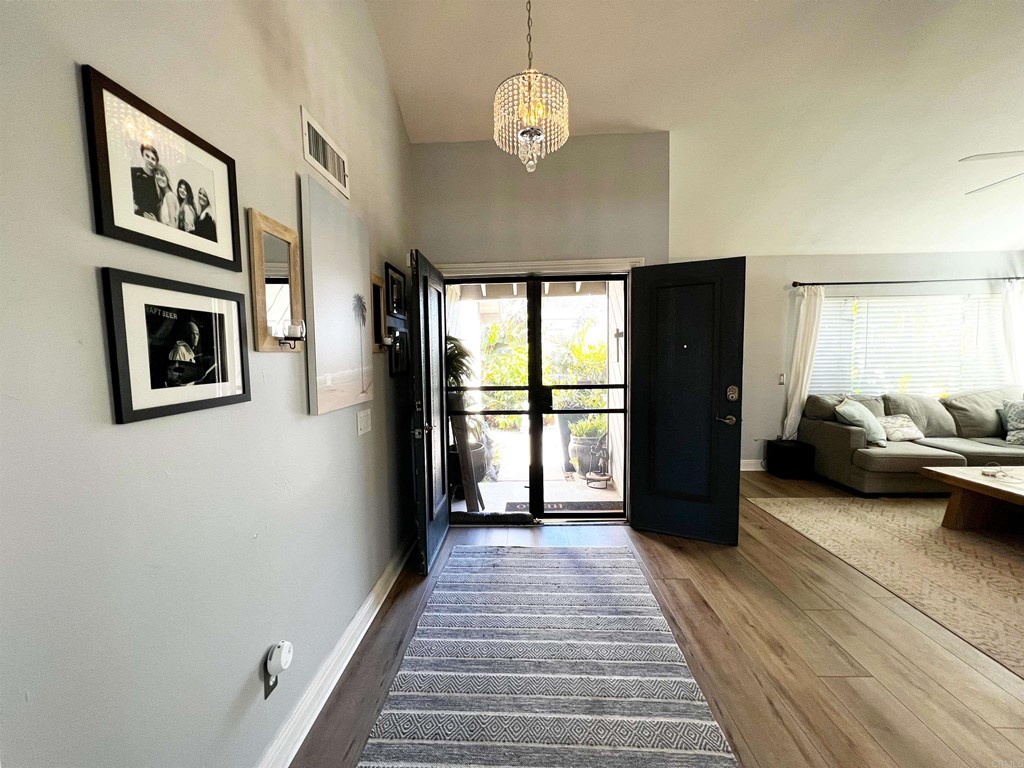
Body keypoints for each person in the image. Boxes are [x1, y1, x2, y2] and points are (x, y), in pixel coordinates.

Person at [130, 143, 161, 220]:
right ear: (142, 156)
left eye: (153, 159)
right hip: (136, 218)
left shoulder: (158, 180)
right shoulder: (133, 172)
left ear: (156, 162)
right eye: (147, 156)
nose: (150, 160)